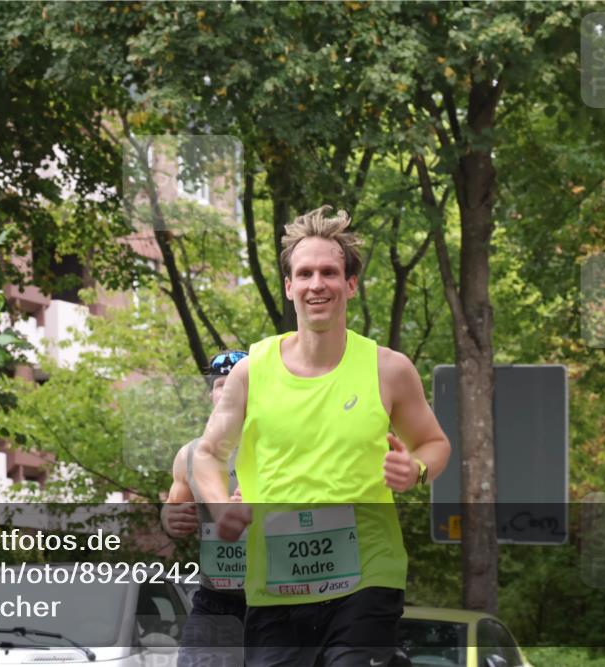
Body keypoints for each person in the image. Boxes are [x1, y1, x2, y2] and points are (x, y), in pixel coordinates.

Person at [191, 206, 451, 667]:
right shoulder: (252, 373)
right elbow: (210, 453)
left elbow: (434, 443)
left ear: (350, 284)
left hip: (367, 576)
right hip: (276, 584)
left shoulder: (388, 369)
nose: (317, 284)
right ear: (289, 286)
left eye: (329, 272)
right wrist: (220, 503)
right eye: (304, 273)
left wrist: (416, 468)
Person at [162, 349, 249, 667]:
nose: (227, 391)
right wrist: (170, 518)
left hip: (279, 600)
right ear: (211, 395)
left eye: (238, 383)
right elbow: (173, 511)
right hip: (216, 599)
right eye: (220, 385)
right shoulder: (190, 454)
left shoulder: (283, 449)